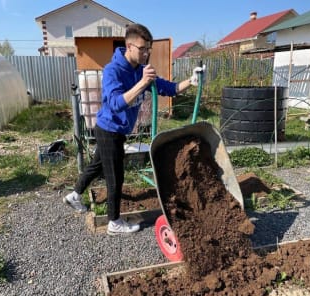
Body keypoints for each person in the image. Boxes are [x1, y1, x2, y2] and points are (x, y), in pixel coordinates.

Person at [63, 23, 204, 235]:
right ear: (129, 46)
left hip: (117, 130)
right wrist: (142, 83)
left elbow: (169, 88)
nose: (146, 53)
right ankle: (114, 222)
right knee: (115, 177)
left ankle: (74, 195)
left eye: (149, 48)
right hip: (109, 130)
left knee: (97, 166)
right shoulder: (113, 70)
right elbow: (116, 103)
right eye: (142, 48)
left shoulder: (140, 70)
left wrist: (191, 81)